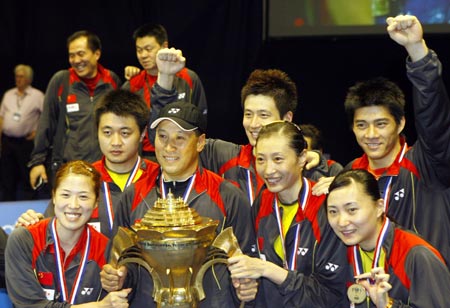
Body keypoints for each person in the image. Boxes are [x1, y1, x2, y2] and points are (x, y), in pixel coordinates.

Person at [313, 15, 450, 267]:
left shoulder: (427, 163)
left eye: (381, 124)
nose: (371, 135)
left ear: (400, 124)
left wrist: (417, 50)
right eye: (362, 125)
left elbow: (434, 116)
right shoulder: (351, 173)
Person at [101, 102, 256, 307]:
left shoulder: (229, 197)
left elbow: (248, 266)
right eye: (162, 136)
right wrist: (117, 278)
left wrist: (247, 285)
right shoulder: (132, 196)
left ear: (200, 143)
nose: (169, 146)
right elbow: (121, 263)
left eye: (180, 138)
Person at [151, 62, 331, 203]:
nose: (254, 124)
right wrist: (166, 81)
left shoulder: (307, 167)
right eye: (248, 114)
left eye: (263, 115)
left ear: (287, 118)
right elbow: (170, 136)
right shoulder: (221, 154)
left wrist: (318, 162)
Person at [228, 121, 347, 307]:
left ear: (301, 158)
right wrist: (250, 286)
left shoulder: (327, 208)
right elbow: (259, 269)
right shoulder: (263, 201)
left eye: (278, 159)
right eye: (261, 159)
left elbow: (331, 295)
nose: (268, 170)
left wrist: (269, 270)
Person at [16, 89, 160, 239]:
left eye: (125, 133)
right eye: (107, 132)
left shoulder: (158, 178)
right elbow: (51, 233)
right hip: (91, 263)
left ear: (142, 134)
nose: (115, 142)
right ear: (97, 132)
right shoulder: (79, 179)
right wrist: (35, 225)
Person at [5, 160, 131, 307]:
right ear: (53, 196)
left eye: (83, 197)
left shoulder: (106, 249)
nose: (73, 205)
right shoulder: (24, 240)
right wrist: (99, 306)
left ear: (96, 202)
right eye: (65, 195)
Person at [326, 169, 450, 307]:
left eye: (352, 210)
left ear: (379, 207)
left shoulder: (416, 255)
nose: (342, 222)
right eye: (333, 212)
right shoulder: (340, 250)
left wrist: (388, 305)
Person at [28, 30, 122, 191]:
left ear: (96, 54)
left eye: (81, 54)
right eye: (72, 55)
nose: (76, 60)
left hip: (107, 171)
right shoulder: (61, 81)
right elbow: (46, 123)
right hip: (69, 170)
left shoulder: (112, 81)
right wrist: (37, 162)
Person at [123, 23, 207, 159]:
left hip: (180, 153)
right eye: (139, 50)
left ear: (164, 46)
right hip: (144, 157)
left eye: (148, 49)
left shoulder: (188, 78)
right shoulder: (131, 84)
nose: (143, 55)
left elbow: (201, 118)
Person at [0, 64, 44, 200]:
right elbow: (1, 117)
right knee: (7, 178)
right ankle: (6, 208)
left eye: (21, 76)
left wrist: (38, 132)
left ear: (29, 79)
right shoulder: (8, 94)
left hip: (26, 143)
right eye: (16, 76)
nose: (18, 79)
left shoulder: (37, 95)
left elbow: (47, 116)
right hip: (8, 141)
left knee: (27, 177)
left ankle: (29, 207)